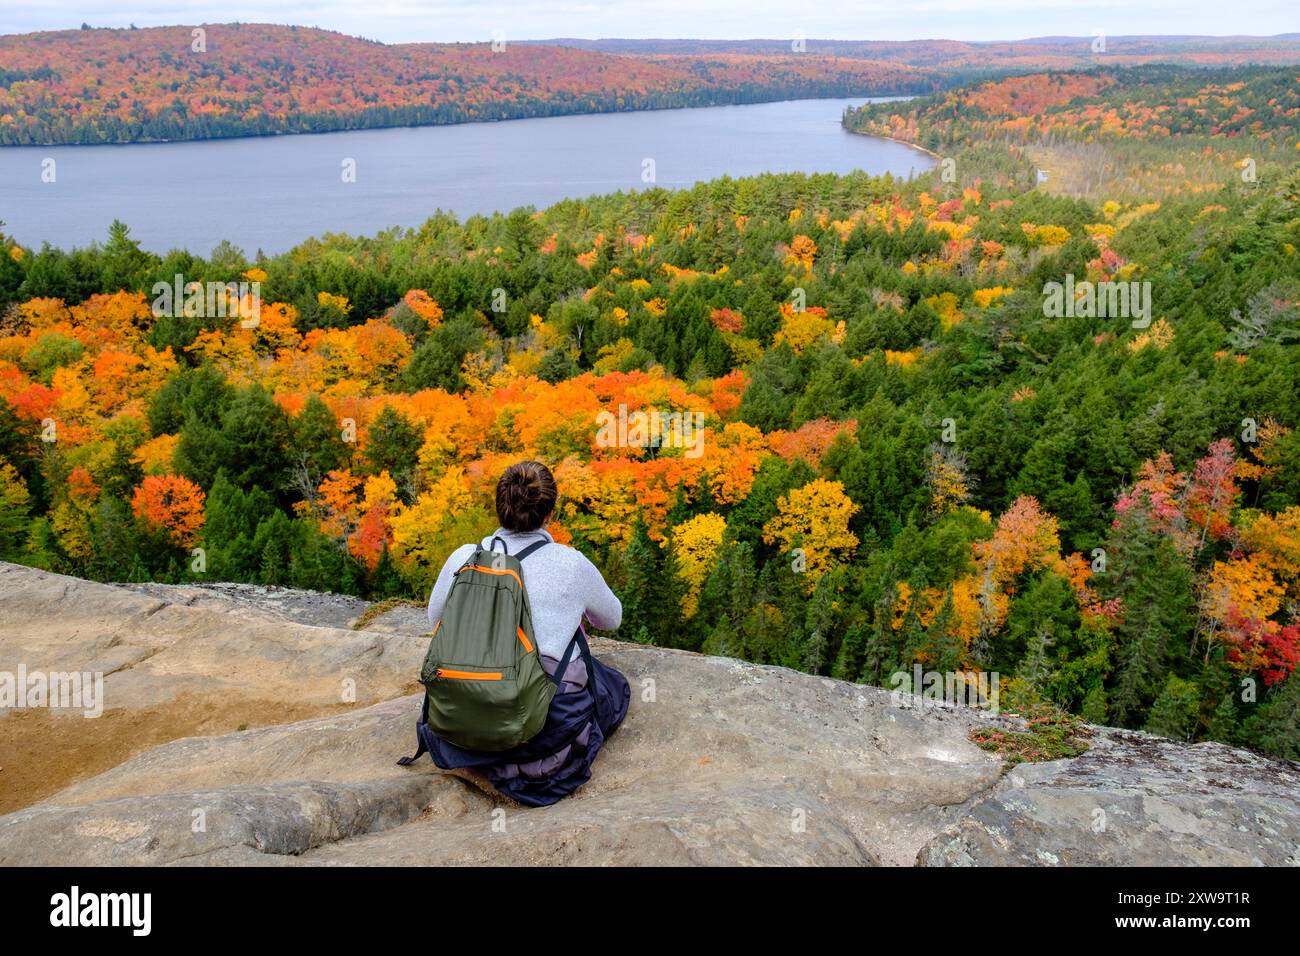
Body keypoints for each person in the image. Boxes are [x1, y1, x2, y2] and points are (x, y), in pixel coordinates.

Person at [419, 460, 631, 805]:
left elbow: (435, 621)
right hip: (537, 724)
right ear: (550, 513)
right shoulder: (570, 563)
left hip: (463, 711)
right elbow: (612, 619)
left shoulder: (464, 556)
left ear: (499, 508)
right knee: (611, 685)